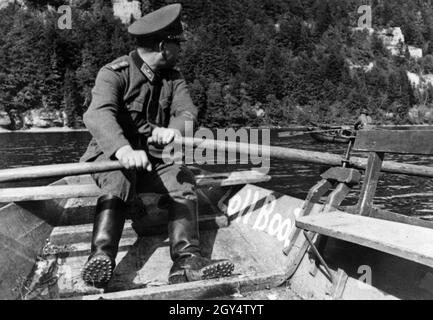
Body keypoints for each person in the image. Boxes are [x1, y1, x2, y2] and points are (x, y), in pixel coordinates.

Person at [80, 3, 234, 288]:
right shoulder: (115, 73)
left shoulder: (174, 80)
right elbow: (98, 114)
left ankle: (186, 263)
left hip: (154, 161)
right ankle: (100, 258)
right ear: (164, 46)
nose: (181, 50)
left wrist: (173, 131)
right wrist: (124, 151)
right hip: (110, 158)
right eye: (178, 44)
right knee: (118, 179)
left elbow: (187, 113)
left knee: (182, 178)